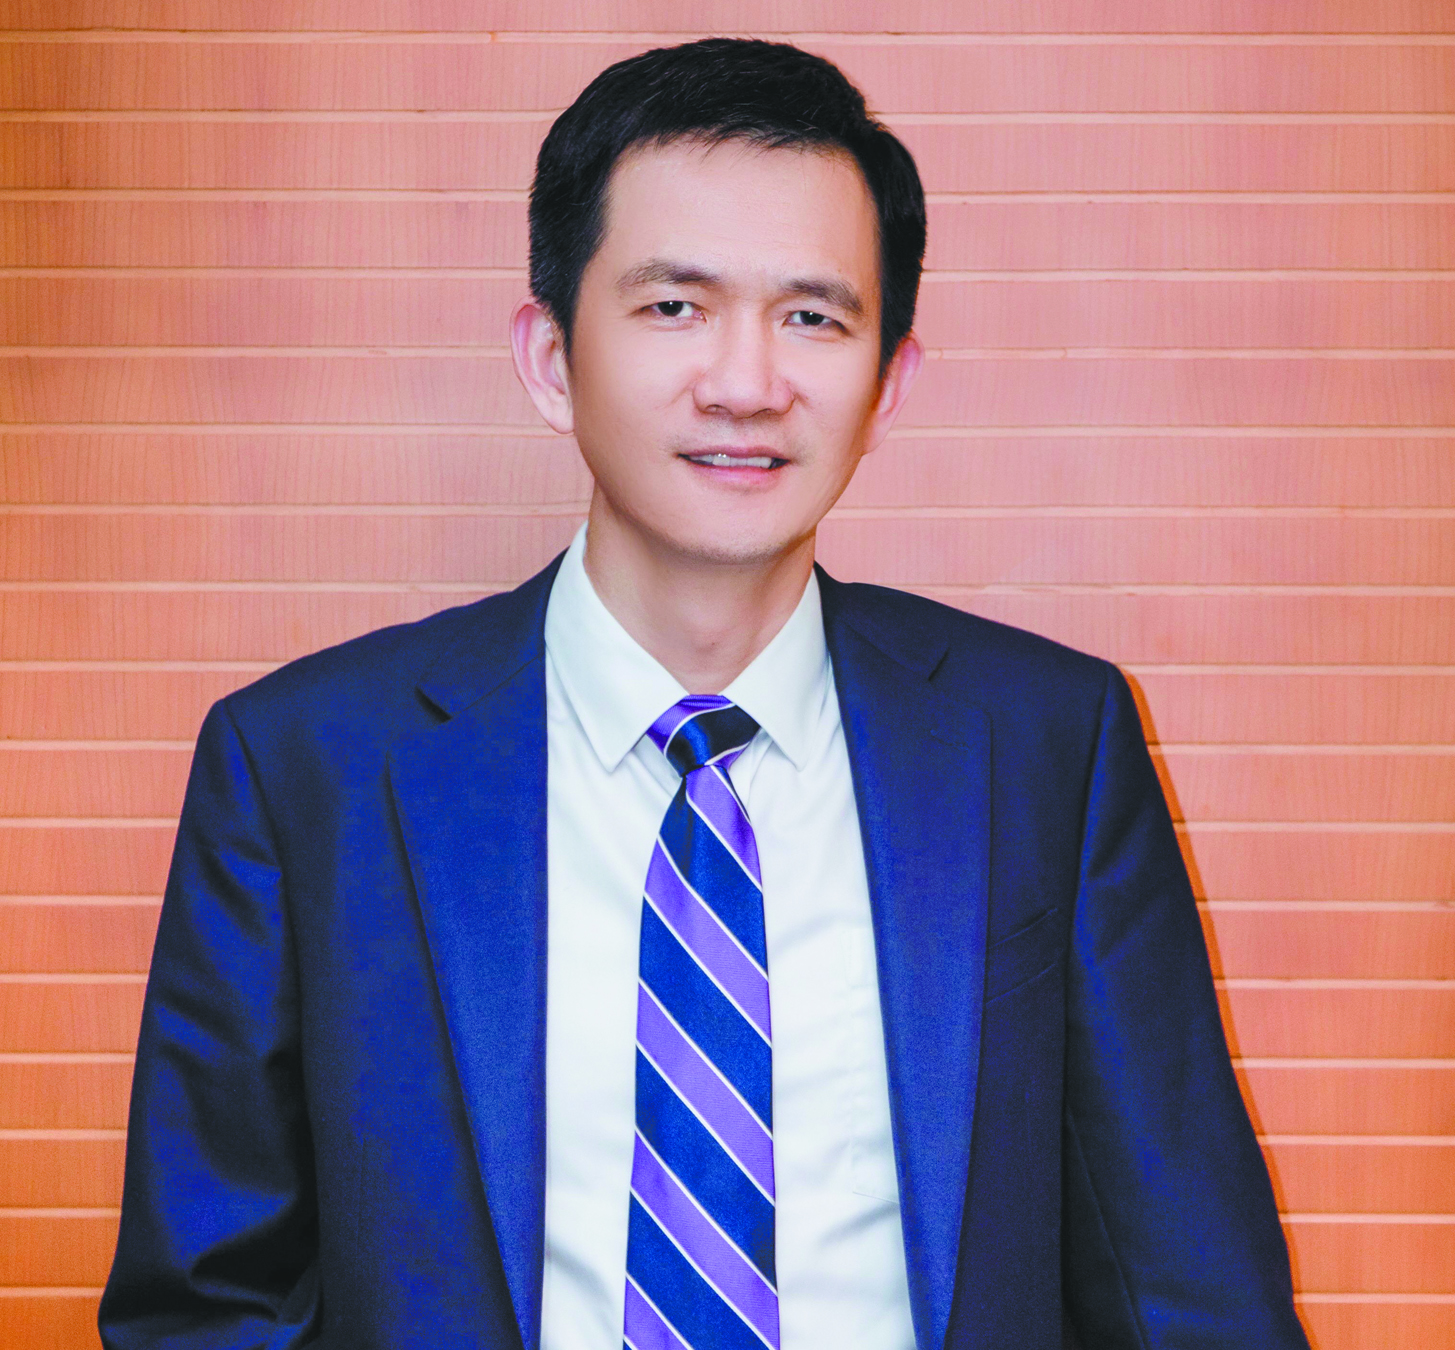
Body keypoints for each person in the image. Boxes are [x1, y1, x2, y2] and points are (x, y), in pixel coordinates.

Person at [100, 38, 1309, 1350]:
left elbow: (1192, 1296)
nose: (746, 384)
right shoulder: (304, 770)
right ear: (551, 359)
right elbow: (205, 1311)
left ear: (888, 384)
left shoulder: (1047, 748)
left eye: (814, 317)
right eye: (675, 306)